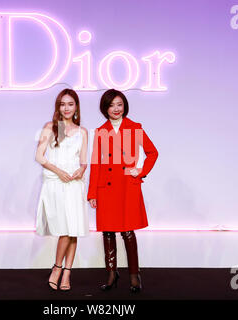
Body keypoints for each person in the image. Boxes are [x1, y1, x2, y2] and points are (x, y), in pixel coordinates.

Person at [87, 89, 158, 293]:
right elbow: (96, 164)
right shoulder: (101, 131)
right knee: (108, 231)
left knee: (128, 231)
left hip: (127, 186)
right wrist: (92, 193)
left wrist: (140, 171)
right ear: (105, 108)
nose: (116, 109)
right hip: (106, 187)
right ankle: (112, 274)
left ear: (124, 105)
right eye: (111, 105)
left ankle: (134, 275)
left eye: (119, 104)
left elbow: (152, 153)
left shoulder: (134, 128)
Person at [35, 88, 89, 291]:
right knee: (65, 230)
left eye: (70, 104)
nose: (66, 108)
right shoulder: (50, 127)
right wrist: (59, 171)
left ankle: (65, 273)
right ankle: (58, 268)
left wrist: (80, 171)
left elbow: (84, 161)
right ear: (58, 107)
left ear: (76, 107)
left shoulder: (82, 132)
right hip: (56, 183)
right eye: (62, 104)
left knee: (72, 230)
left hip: (74, 184)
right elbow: (40, 157)